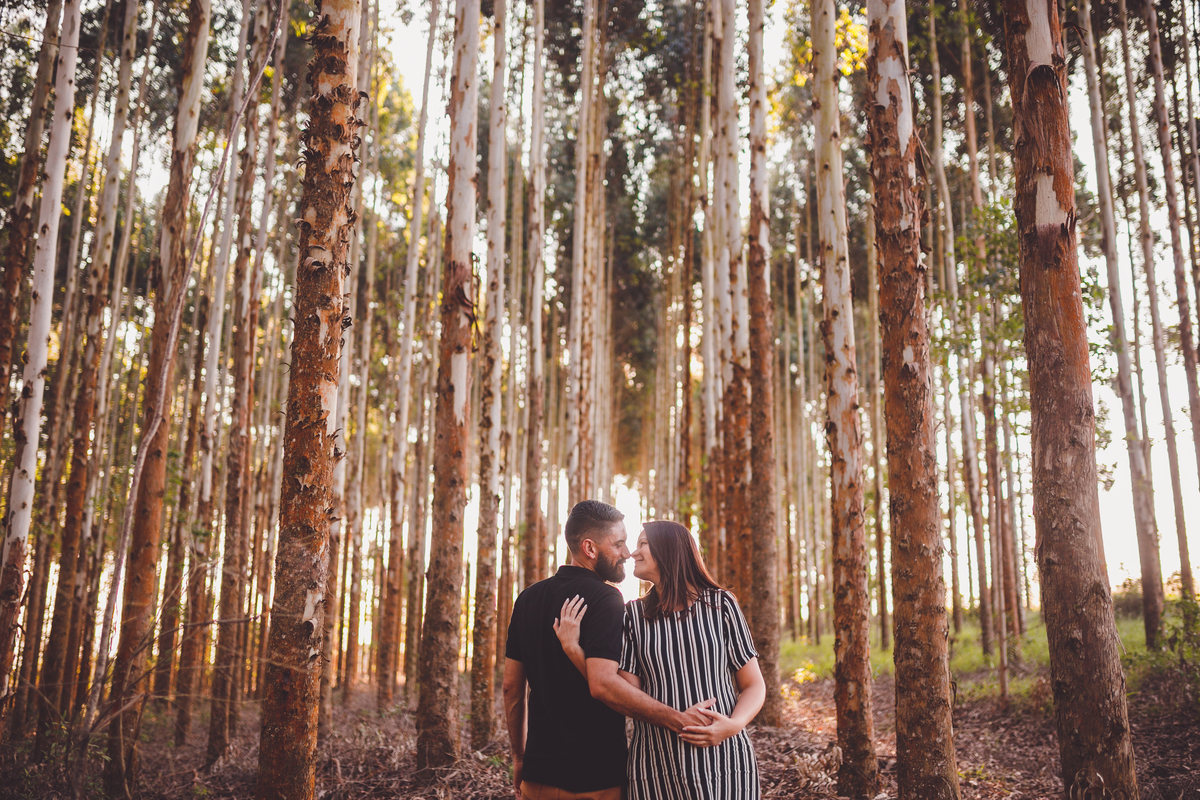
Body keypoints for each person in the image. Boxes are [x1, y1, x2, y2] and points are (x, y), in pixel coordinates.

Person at [503, 501, 715, 800]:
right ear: (590, 549)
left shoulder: (527, 598)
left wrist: (519, 758)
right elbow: (605, 684)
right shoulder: (606, 599)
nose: (627, 552)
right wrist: (680, 720)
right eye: (618, 544)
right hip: (597, 780)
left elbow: (511, 687)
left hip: (538, 777)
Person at [554, 519, 765, 800]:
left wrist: (733, 725)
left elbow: (753, 685)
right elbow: (624, 693)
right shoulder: (632, 616)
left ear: (669, 550)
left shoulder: (721, 605)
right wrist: (573, 649)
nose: (632, 553)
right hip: (657, 764)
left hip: (724, 759)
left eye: (643, 544)